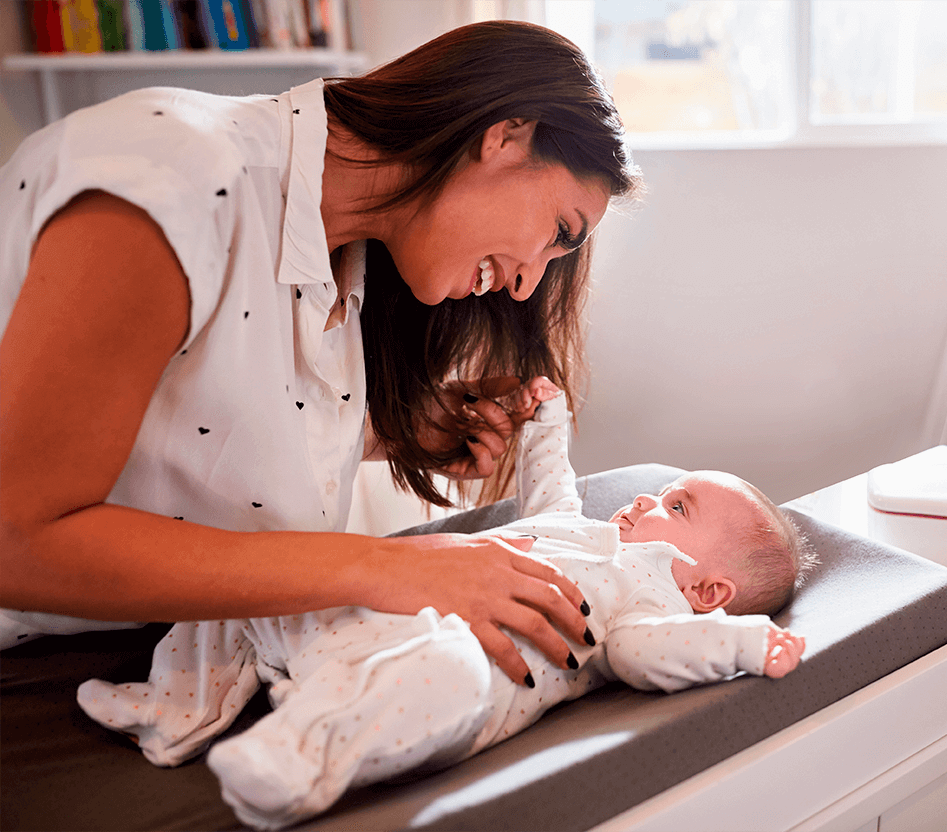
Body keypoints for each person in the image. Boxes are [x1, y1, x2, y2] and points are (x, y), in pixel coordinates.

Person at [0, 21, 641, 685]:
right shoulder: (175, 182)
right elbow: (17, 542)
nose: (524, 282)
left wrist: (392, 431)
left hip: (202, 651)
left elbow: (186, 430)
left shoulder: (348, 255)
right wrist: (380, 569)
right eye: (557, 233)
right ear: (507, 135)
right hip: (51, 662)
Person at [78, 378, 817, 830]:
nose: (651, 496)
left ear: (708, 591)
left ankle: (295, 758)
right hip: (362, 617)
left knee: (447, 674)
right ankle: (176, 708)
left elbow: (636, 655)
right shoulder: (581, 526)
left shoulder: (650, 602)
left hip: (441, 661)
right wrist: (545, 418)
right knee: (262, 574)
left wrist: (743, 643)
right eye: (667, 489)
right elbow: (551, 483)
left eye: (678, 506)